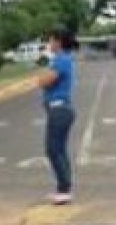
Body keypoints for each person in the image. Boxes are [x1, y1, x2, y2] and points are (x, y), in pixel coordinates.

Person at [38, 29, 77, 205]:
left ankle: (64, 189)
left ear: (59, 42)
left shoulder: (61, 60)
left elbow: (45, 81)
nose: (49, 44)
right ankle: (64, 188)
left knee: (53, 149)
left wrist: (44, 69)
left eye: (51, 40)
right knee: (59, 150)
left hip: (59, 109)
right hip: (60, 110)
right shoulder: (61, 59)